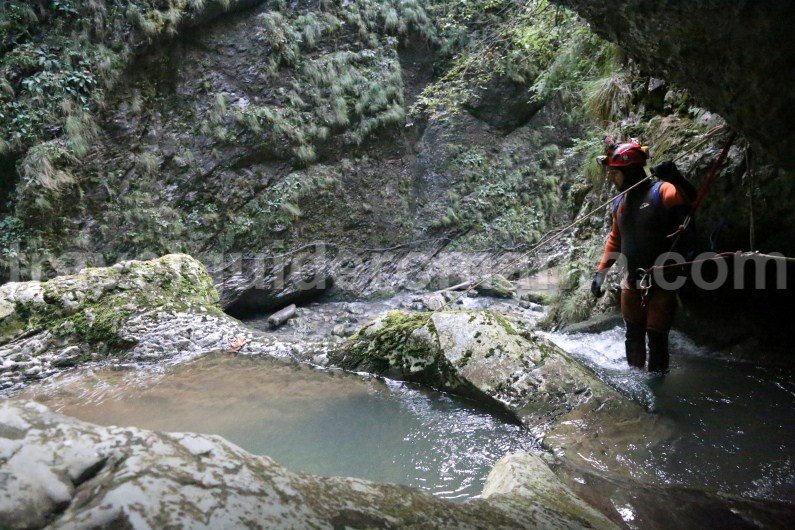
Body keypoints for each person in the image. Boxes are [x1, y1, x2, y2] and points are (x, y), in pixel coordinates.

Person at [590, 139, 694, 373]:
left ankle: (656, 396)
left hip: (662, 280)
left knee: (657, 342)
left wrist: (676, 178)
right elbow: (614, 240)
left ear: (629, 171)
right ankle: (635, 387)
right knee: (633, 337)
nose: (610, 178)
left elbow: (690, 198)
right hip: (632, 279)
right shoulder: (619, 202)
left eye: (614, 173)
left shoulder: (661, 191)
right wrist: (600, 274)